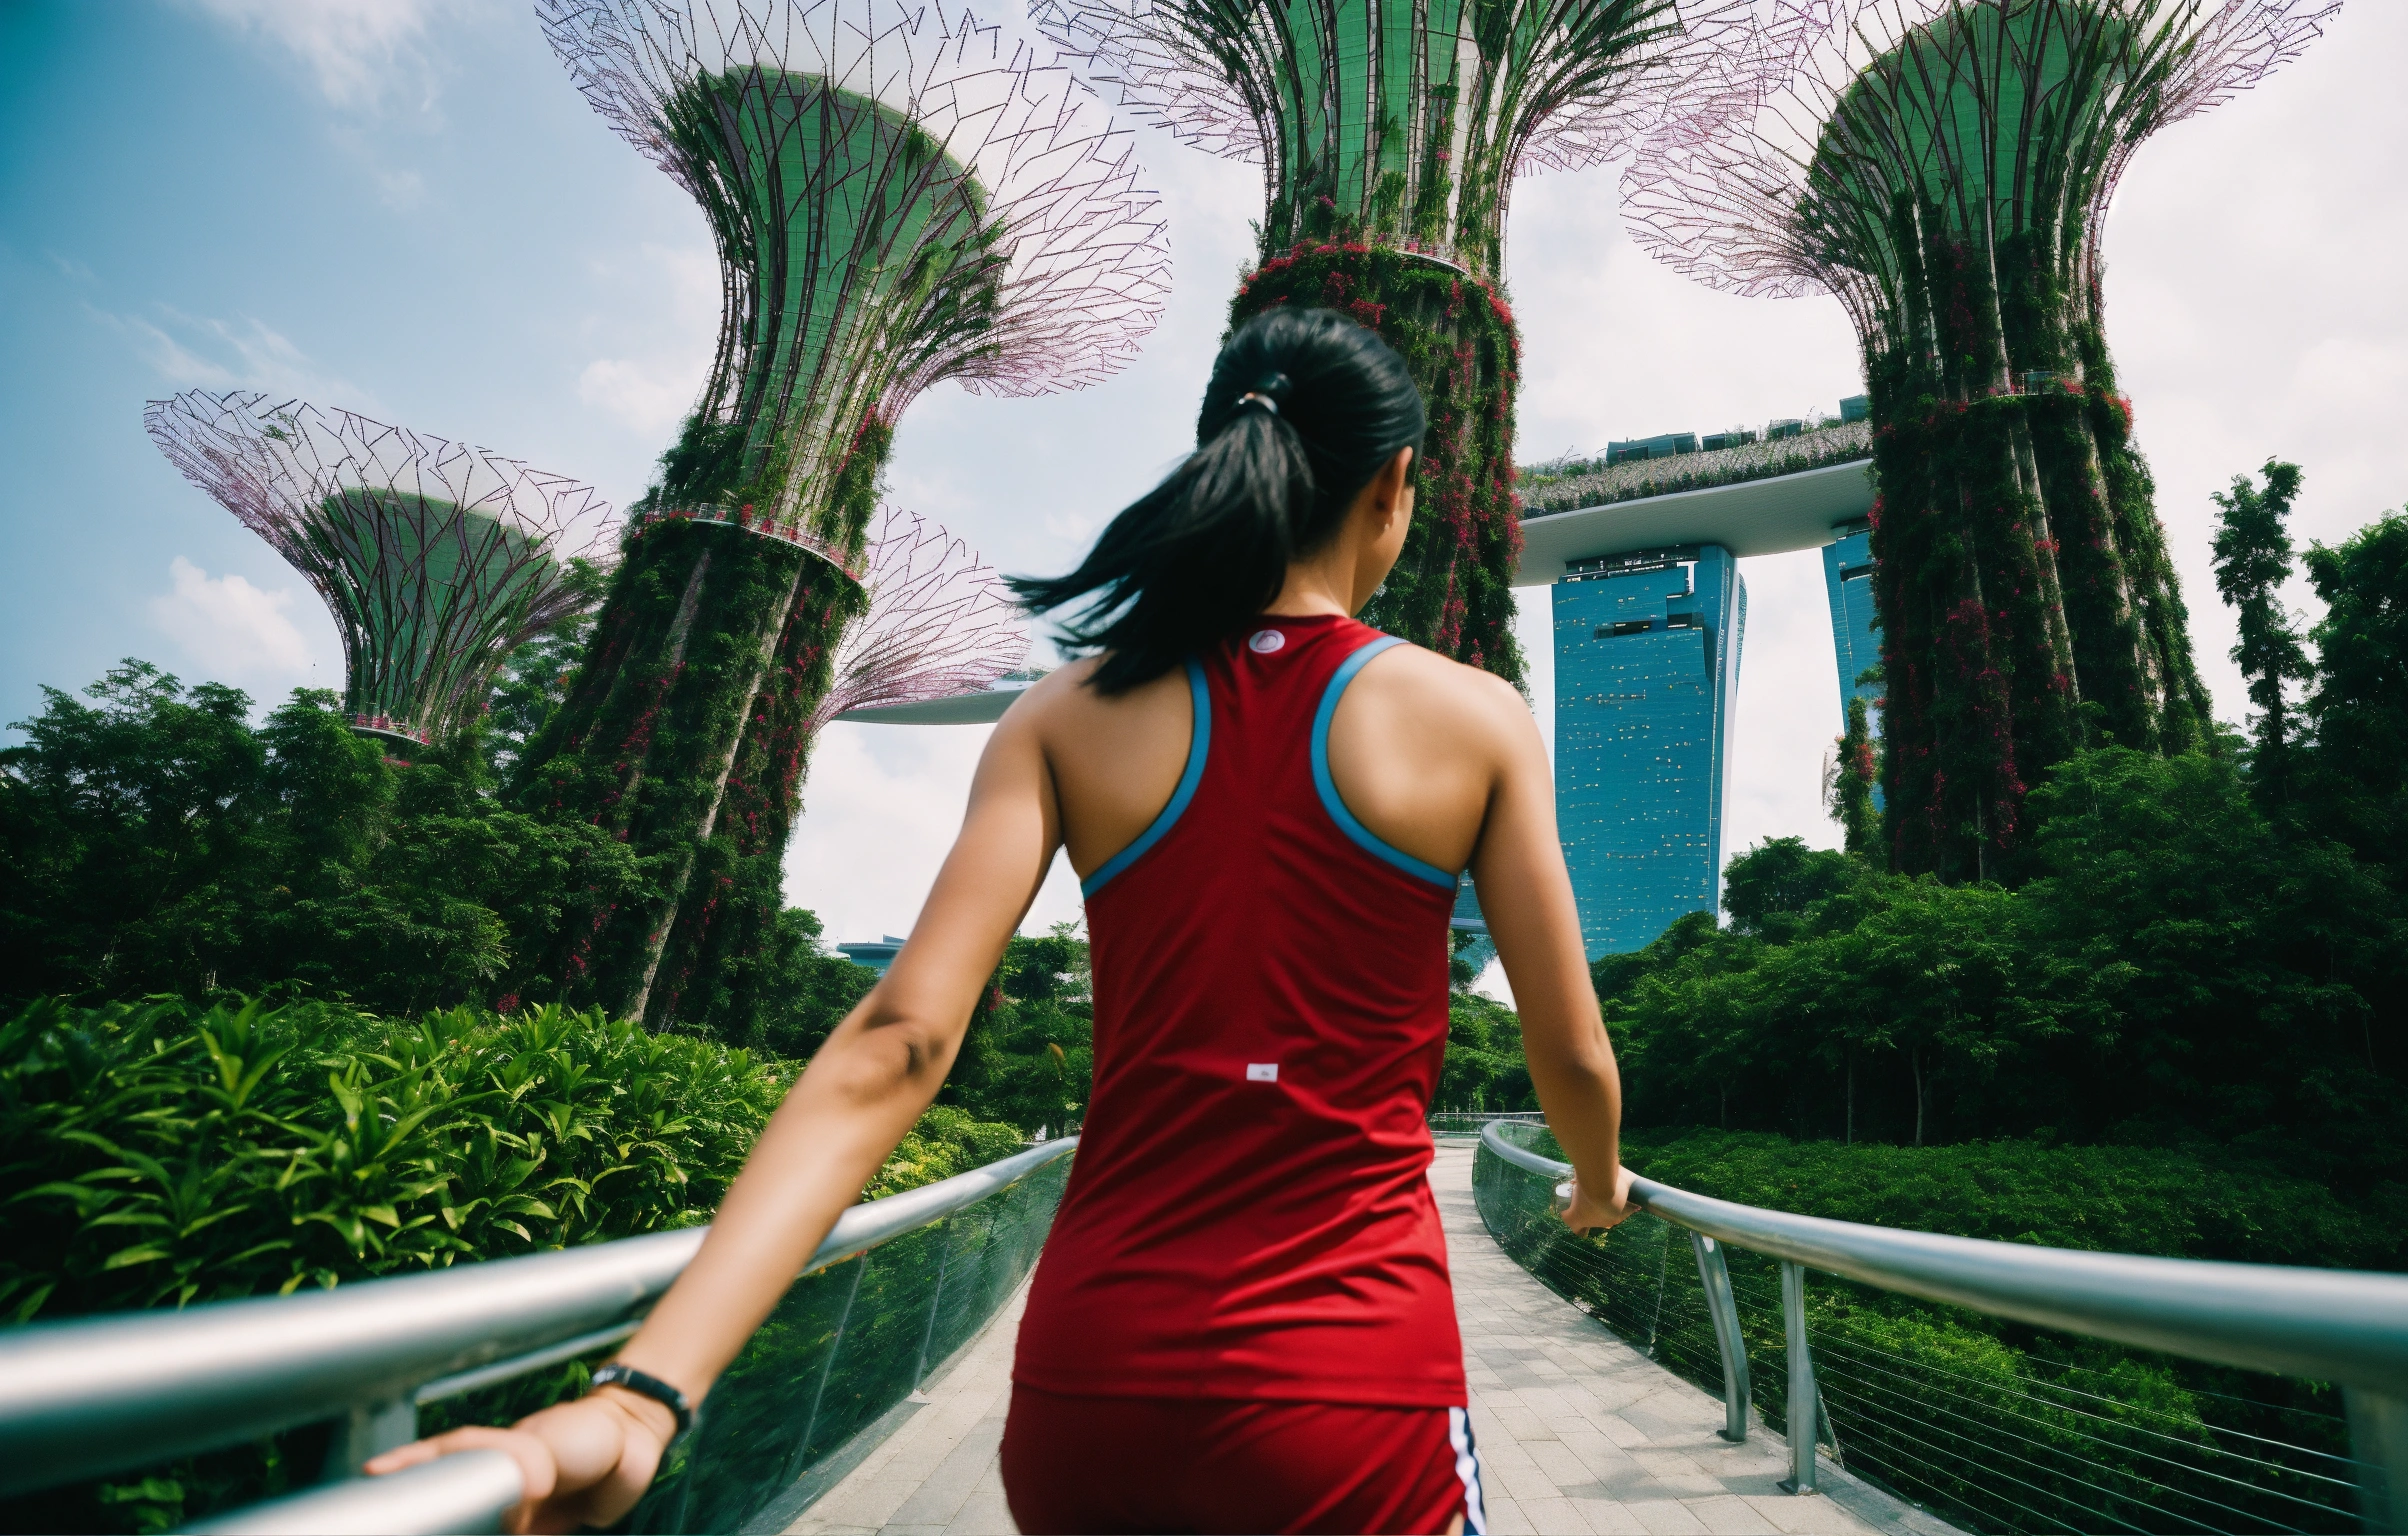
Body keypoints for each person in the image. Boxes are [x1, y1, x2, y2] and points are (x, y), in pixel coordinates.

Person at [371, 307, 1634, 1535]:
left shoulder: (1065, 712)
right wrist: (1591, 1182)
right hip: (1348, 1393)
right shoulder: (1474, 717)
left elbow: (898, 1044)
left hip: (1089, 1387)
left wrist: (642, 1397)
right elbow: (1570, 1052)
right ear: (1394, 486)